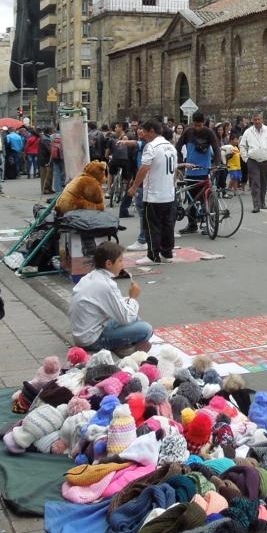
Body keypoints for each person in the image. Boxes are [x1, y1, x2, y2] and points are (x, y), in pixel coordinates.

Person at [70, 242, 153, 355]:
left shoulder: (91, 276)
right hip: (91, 340)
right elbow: (125, 318)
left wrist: (128, 301)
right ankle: (123, 347)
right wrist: (133, 298)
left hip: (87, 332)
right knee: (146, 329)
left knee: (134, 316)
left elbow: (117, 307)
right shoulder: (106, 285)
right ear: (109, 263)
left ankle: (124, 345)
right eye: (120, 261)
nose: (122, 265)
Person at [130, 119, 178, 263]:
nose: (142, 135)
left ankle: (152, 255)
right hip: (169, 193)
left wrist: (134, 187)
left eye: (144, 132)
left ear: (151, 131)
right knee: (167, 225)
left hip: (153, 194)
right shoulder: (171, 146)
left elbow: (144, 167)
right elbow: (175, 170)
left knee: (152, 226)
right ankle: (167, 253)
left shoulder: (151, 146)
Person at [176, 115, 221, 235]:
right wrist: (181, 163)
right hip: (190, 171)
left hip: (204, 170)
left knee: (205, 199)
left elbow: (216, 149)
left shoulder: (209, 133)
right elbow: (178, 147)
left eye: (200, 125)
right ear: (192, 123)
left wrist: (216, 164)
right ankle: (192, 225)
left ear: (203, 123)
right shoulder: (188, 132)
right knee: (191, 199)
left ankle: (207, 224)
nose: (197, 128)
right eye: (195, 125)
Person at [240, 113, 267, 213]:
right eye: (255, 119)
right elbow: (242, 146)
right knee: (255, 183)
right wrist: (246, 159)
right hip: (253, 161)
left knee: (263, 182)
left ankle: (262, 202)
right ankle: (256, 205)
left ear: (262, 120)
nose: (257, 121)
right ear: (252, 120)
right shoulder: (248, 132)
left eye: (259, 119)